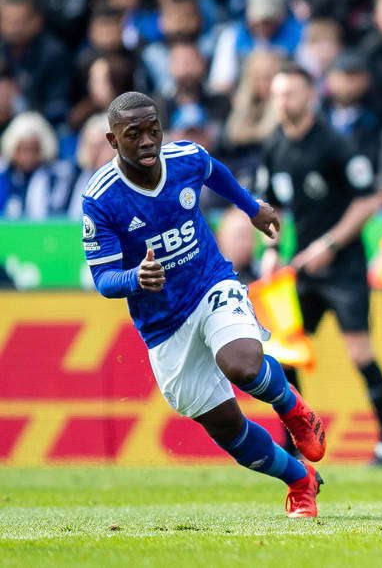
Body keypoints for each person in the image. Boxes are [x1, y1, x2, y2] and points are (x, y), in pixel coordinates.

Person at [80, 91, 325, 517]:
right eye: (132, 134)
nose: (146, 142)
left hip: (211, 283)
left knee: (242, 364)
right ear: (112, 139)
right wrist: (134, 278)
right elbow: (104, 280)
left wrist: (251, 207)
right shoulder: (100, 199)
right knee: (227, 428)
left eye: (152, 131)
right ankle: (299, 479)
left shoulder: (185, 158)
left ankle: (294, 410)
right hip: (162, 326)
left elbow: (215, 172)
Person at [258, 64, 382, 469]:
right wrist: (271, 249)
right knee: (284, 357)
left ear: (310, 96)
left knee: (360, 353)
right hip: (301, 271)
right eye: (278, 94)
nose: (284, 101)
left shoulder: (335, 144)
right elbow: (272, 209)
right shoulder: (274, 147)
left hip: (344, 269)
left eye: (292, 93)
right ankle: (291, 445)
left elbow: (368, 200)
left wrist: (331, 243)